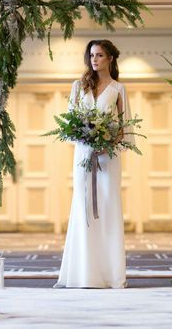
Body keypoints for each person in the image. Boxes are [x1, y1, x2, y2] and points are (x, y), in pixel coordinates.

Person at [53, 39, 135, 289]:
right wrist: (84, 136)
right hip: (84, 155)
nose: (94, 60)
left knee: (108, 209)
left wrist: (108, 144)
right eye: (91, 55)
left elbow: (124, 128)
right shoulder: (78, 87)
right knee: (83, 208)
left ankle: (110, 275)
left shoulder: (118, 89)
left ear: (110, 58)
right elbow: (70, 122)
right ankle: (82, 273)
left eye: (99, 55)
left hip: (108, 158)